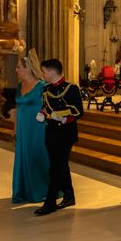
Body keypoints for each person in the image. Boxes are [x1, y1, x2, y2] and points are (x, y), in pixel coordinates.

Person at [34, 59, 84, 216]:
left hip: (65, 134)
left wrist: (62, 117)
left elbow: (78, 112)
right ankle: (69, 196)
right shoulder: (47, 89)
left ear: (51, 71)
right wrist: (42, 114)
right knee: (60, 165)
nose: (43, 74)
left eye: (44, 71)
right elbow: (46, 106)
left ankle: (50, 203)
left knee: (55, 167)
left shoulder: (71, 89)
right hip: (51, 133)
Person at [11, 49, 49, 204]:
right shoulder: (20, 87)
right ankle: (24, 190)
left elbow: (49, 106)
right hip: (22, 129)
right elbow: (17, 109)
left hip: (38, 128)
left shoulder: (42, 86)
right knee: (23, 157)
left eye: (19, 67)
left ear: (27, 68)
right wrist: (14, 129)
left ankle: (43, 190)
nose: (16, 70)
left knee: (37, 156)